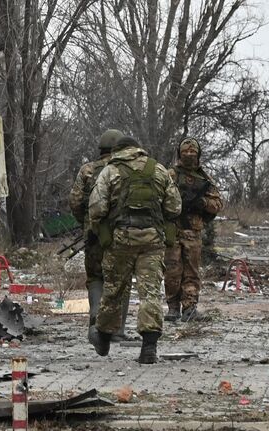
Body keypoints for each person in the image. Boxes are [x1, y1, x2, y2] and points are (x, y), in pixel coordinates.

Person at [87, 136, 181, 364]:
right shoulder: (157, 169)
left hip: (121, 240)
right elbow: (175, 207)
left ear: (118, 151)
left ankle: (105, 336)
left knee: (114, 289)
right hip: (152, 241)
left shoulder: (110, 171)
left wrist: (101, 228)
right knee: (150, 292)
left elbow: (97, 207)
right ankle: (149, 346)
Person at [69, 129, 129, 342]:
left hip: (93, 234)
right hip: (121, 235)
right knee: (121, 280)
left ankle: (95, 324)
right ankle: (117, 330)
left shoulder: (87, 170)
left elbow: (75, 202)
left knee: (96, 278)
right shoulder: (124, 169)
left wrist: (86, 222)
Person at [163, 137, 224, 322]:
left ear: (198, 154)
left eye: (192, 152)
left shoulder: (204, 179)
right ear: (179, 154)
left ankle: (189, 308)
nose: (189, 155)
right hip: (173, 230)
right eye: (185, 152)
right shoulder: (170, 175)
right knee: (172, 271)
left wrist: (202, 203)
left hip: (193, 232)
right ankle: (173, 308)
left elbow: (218, 203)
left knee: (191, 272)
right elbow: (158, 198)